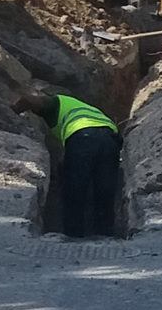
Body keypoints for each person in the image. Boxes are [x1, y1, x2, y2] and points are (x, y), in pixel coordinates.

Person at [14, 91, 122, 238]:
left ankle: (73, 234)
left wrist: (12, 111)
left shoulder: (56, 102)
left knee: (75, 189)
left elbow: (28, 99)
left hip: (83, 136)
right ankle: (105, 233)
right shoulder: (88, 109)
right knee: (105, 189)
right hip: (110, 139)